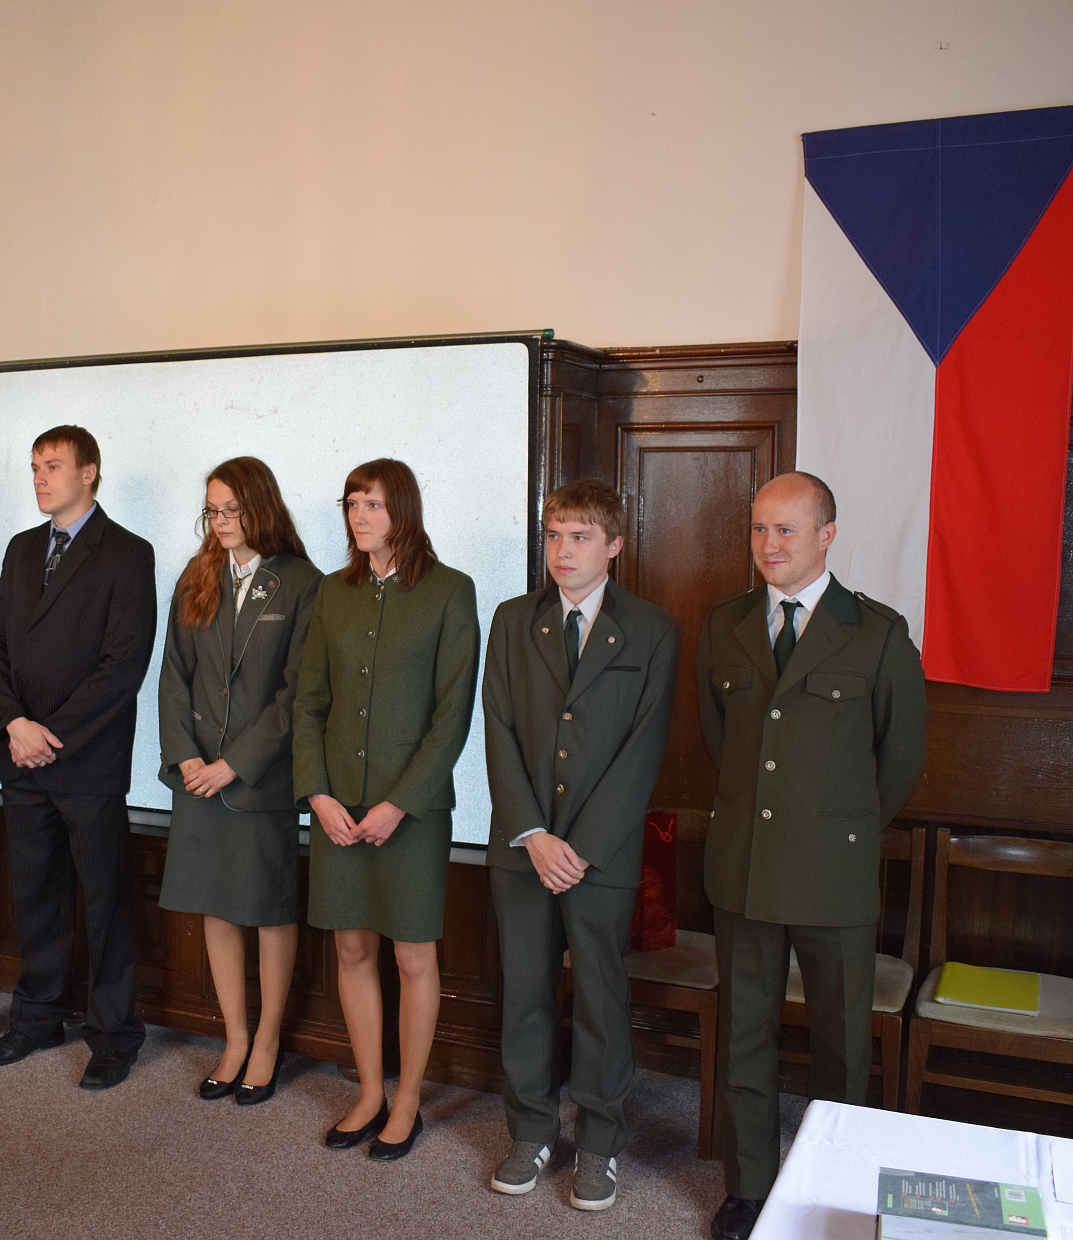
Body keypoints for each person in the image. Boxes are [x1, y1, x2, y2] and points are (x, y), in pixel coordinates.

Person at [698, 471, 927, 1240]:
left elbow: (900, 757)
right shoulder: (726, 624)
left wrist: (837, 826)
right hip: (747, 866)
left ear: (827, 535)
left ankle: (836, 1189)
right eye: (759, 528)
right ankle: (748, 1190)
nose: (768, 544)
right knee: (746, 1037)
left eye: (786, 530)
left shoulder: (876, 633)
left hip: (833, 871)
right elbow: (721, 739)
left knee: (840, 1045)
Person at [483, 478, 680, 1210]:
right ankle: (530, 1130)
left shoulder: (653, 631)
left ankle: (599, 1141)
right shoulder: (512, 620)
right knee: (526, 993)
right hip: (523, 849)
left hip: (602, 855)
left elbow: (643, 751)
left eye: (581, 537)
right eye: (554, 535)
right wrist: (534, 834)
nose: (563, 551)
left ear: (614, 545)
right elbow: (498, 729)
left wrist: (582, 847)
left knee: (600, 997)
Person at [293, 457, 479, 1161]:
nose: (360, 516)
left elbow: (451, 718)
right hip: (337, 806)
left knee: (412, 955)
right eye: (352, 504)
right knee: (350, 948)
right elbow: (309, 703)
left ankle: (408, 1101)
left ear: (403, 509)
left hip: (412, 812)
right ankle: (370, 1090)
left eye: (372, 503)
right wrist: (317, 794)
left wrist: (399, 803)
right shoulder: (332, 593)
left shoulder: (449, 591)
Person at [0, 424, 157, 1090]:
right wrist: (14, 725)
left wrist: (48, 734)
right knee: (36, 895)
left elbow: (123, 665)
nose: (39, 478)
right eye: (34, 467)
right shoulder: (22, 548)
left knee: (105, 901)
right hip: (22, 757)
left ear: (89, 473)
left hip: (86, 761)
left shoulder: (128, 553)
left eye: (52, 466)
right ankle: (37, 1018)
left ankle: (113, 1035)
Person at [157, 457, 322, 1105]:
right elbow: (173, 675)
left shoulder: (301, 582)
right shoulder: (197, 574)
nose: (221, 522)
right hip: (197, 778)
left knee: (269, 910)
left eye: (232, 510)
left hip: (259, 780)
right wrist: (186, 757)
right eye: (212, 511)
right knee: (216, 908)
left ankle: (268, 1043)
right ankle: (234, 1039)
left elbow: (297, 691)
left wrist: (236, 762)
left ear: (261, 508)